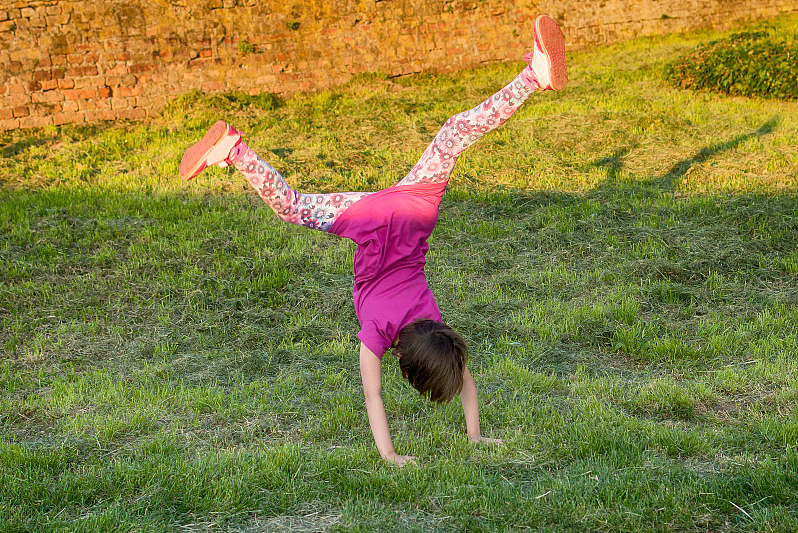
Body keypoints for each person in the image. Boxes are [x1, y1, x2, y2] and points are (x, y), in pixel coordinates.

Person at [179, 15, 568, 466]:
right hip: (373, 221)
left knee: (454, 134)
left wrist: (475, 435)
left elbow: (463, 374)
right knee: (292, 207)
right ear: (402, 361)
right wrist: (389, 454)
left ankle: (532, 77)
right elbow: (373, 397)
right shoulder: (378, 334)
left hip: (413, 213)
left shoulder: (434, 321)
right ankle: (234, 149)